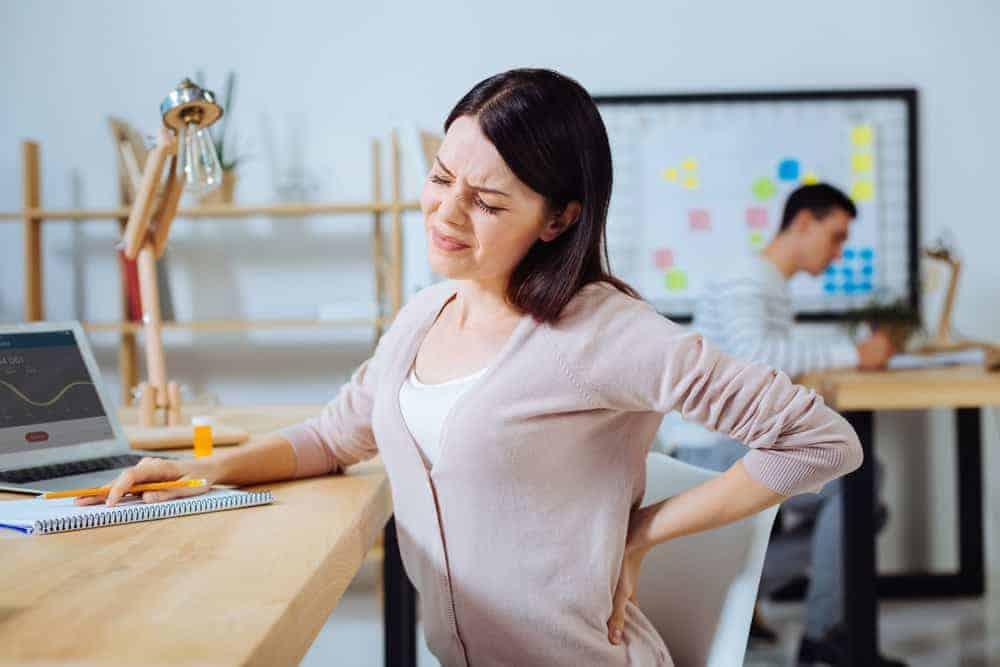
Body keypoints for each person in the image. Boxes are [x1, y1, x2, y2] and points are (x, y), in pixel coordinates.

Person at [85, 69, 862, 667]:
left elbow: (820, 440)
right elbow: (334, 434)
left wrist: (645, 531)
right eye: (439, 176)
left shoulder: (604, 331)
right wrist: (205, 472)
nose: (446, 212)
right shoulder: (427, 311)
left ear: (559, 218)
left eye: (487, 200)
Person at [672, 183, 903, 666]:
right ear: (802, 223)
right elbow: (755, 359)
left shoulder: (766, 283)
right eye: (835, 236)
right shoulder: (750, 277)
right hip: (708, 446)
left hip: (727, 440)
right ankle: (825, 639)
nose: (838, 252)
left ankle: (749, 592)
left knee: (865, 508)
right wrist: (854, 355)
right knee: (859, 481)